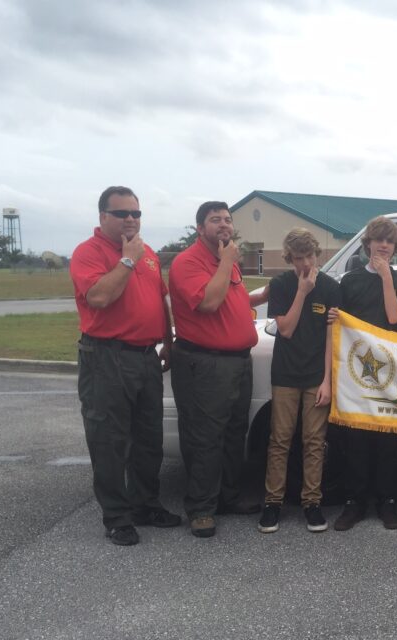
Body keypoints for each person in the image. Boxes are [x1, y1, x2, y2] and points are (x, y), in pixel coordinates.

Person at [70, 185, 181, 546]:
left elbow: (160, 299)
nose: (131, 219)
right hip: (106, 357)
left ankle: (145, 505)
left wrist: (168, 341)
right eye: (122, 213)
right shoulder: (89, 253)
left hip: (146, 356)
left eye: (136, 213)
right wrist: (127, 260)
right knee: (109, 441)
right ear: (103, 216)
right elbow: (99, 296)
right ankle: (117, 517)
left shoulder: (148, 253)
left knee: (148, 439)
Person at [168, 201, 265, 538]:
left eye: (227, 219)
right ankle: (201, 509)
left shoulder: (226, 260)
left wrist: (266, 294)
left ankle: (228, 497)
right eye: (215, 220)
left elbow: (230, 299)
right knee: (205, 438)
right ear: (200, 228)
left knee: (234, 433)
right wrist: (226, 263)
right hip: (205, 363)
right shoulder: (189, 262)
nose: (224, 224)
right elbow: (209, 302)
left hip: (238, 361)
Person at [333, 216, 397, 531]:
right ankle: (354, 502)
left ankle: (387, 501)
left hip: (389, 372)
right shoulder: (350, 281)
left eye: (389, 241)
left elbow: (394, 317)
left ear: (395, 247)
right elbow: (340, 326)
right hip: (355, 371)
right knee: (356, 440)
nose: (384, 245)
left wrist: (386, 277)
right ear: (367, 244)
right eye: (379, 240)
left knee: (387, 442)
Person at [258, 228, 340, 535]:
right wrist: (303, 292)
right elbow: (286, 329)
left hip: (316, 376)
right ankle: (273, 503)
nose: (305, 263)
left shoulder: (331, 287)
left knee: (314, 441)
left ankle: (312, 502)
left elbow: (332, 337)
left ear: (317, 254)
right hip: (285, 374)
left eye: (309, 256)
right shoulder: (281, 284)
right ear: (289, 259)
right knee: (280, 439)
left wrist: (327, 381)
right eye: (298, 258)